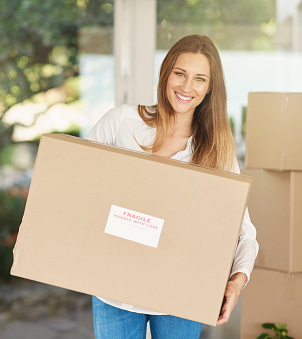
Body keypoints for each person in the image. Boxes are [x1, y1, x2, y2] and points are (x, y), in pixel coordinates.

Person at [86, 35, 259, 338]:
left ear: (209, 88)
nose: (186, 87)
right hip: (114, 289)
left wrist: (236, 280)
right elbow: (76, 187)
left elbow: (242, 231)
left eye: (199, 78)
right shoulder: (120, 124)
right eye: (180, 73)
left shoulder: (216, 152)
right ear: (166, 74)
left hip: (181, 294)